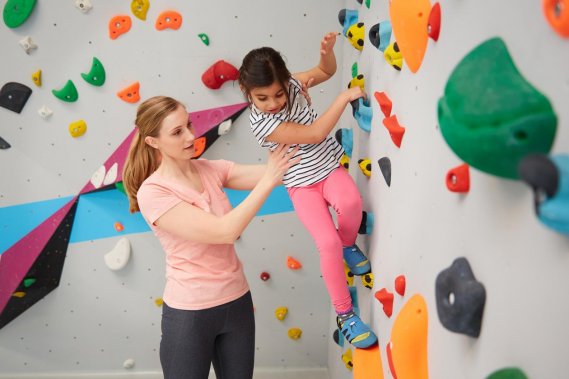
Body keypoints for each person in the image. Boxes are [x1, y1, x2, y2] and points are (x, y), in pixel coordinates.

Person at [122, 96, 299, 379]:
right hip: (189, 314)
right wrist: (269, 179)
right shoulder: (153, 193)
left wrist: (303, 144)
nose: (191, 136)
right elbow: (225, 231)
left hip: (237, 302)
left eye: (189, 125)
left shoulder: (209, 169)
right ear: (153, 141)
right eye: (177, 132)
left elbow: (274, 173)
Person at [238, 32, 378, 349]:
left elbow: (325, 71)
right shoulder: (263, 123)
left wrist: (326, 52)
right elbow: (315, 134)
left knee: (351, 204)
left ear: (285, 80)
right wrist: (343, 98)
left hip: (328, 168)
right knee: (325, 242)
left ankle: (348, 245)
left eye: (277, 94)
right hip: (301, 185)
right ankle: (346, 315)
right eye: (263, 98)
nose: (273, 103)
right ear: (249, 93)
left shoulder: (290, 84)